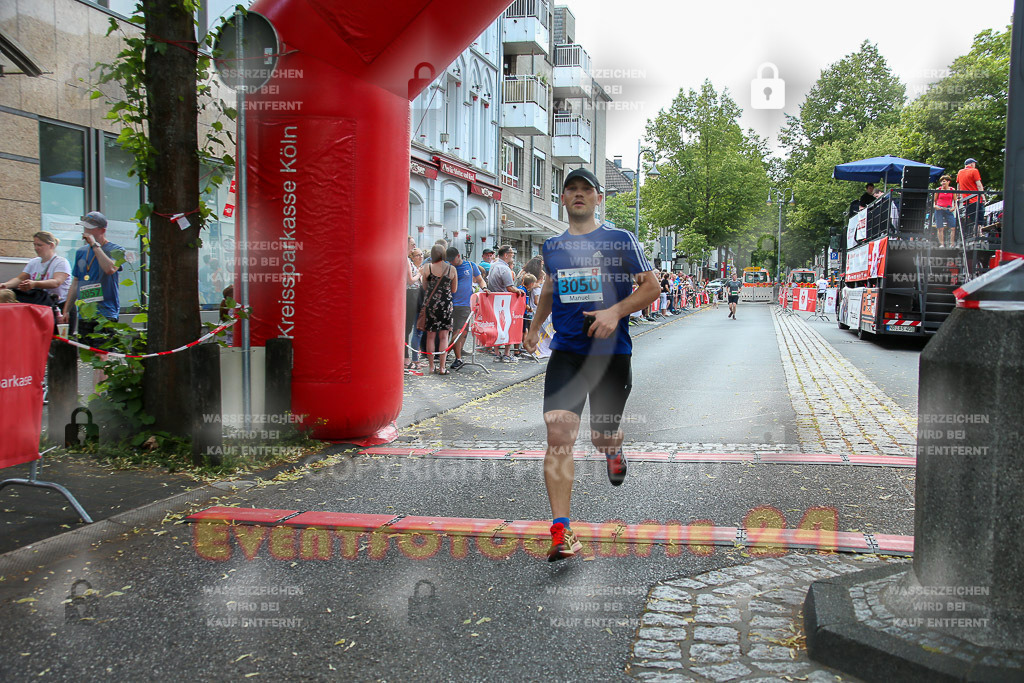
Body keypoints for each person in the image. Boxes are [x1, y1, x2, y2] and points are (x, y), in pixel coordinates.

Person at [523, 167, 660, 562]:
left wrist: (614, 312)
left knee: (602, 436)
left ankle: (613, 448)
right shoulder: (553, 246)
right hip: (567, 352)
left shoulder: (621, 240)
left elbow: (651, 287)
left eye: (587, 189)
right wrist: (534, 327)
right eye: (572, 189)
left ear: (599, 198)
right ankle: (561, 530)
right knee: (559, 435)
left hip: (611, 354)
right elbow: (551, 287)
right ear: (563, 198)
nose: (579, 194)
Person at [62, 212, 124, 348]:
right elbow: (76, 282)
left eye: (90, 228)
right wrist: (66, 309)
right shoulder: (81, 252)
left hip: (106, 312)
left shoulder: (116, 250)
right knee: (87, 352)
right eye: (85, 228)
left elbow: (110, 269)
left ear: (102, 230)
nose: (86, 232)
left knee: (102, 353)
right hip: (85, 312)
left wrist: (94, 245)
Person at [0, 231, 71, 330]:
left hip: (58, 306)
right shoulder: (34, 262)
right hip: (40, 306)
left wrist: (34, 284)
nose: (36, 248)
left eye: (39, 245)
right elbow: (20, 278)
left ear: (51, 245)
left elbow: (56, 282)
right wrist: (6, 285)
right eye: (35, 245)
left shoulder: (61, 262)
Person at [445, 246, 486, 371]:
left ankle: (450, 355)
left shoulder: (470, 265)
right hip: (450, 304)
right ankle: (449, 355)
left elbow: (480, 280)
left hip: (465, 305)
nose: (451, 262)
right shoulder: (448, 267)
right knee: (455, 332)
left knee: (461, 332)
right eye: (449, 260)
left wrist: (484, 288)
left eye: (453, 260)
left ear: (458, 256)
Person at [419, 244, 457, 375]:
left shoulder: (427, 267)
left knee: (430, 336)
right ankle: (442, 367)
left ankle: (431, 366)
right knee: (444, 336)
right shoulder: (451, 269)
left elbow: (424, 286)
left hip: (431, 304)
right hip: (446, 304)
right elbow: (454, 289)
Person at [486, 244, 519, 363]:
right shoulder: (505, 268)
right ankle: (506, 353)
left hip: (494, 301)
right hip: (505, 302)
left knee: (497, 327)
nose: (512, 256)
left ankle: (496, 352)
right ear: (506, 255)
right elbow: (510, 287)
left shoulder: (493, 265)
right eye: (511, 254)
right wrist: (518, 291)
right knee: (508, 326)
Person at [405, 244, 423, 372]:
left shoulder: (416, 266)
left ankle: (413, 358)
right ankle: (407, 358)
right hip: (411, 296)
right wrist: (419, 274)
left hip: (417, 296)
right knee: (408, 328)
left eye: (421, 255)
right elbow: (410, 281)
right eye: (417, 255)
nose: (421, 257)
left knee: (416, 328)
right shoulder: (408, 262)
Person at [957, 158, 985, 239]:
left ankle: (976, 233)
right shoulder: (974, 171)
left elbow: (958, 186)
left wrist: (959, 196)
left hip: (966, 200)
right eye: (974, 163)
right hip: (976, 198)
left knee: (973, 218)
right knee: (979, 217)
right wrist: (983, 197)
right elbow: (979, 185)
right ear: (972, 164)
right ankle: (978, 233)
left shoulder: (960, 172)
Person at [933, 175, 957, 247]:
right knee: (940, 227)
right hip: (939, 209)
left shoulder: (952, 190)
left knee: (953, 227)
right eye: (942, 182)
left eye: (944, 181)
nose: (943, 183)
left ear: (948, 182)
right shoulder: (938, 189)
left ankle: (952, 244)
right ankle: (942, 244)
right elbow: (934, 200)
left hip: (948, 209)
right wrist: (935, 206)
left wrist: (954, 207)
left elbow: (955, 200)